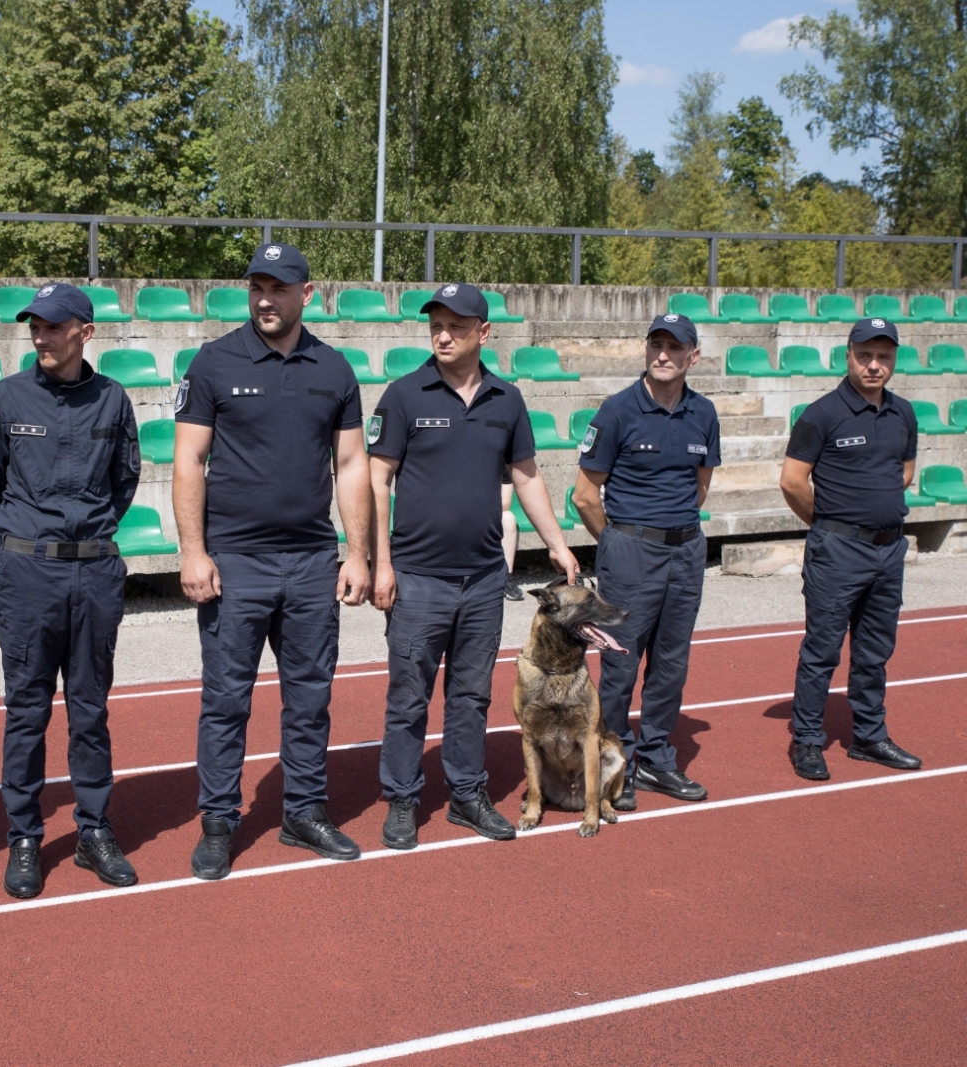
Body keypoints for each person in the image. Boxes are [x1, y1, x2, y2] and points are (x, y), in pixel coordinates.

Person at [173, 243, 372, 880]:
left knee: (310, 699)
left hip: (313, 561)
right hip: (236, 562)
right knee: (226, 701)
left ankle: (303, 812)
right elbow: (188, 461)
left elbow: (350, 465)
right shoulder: (213, 362)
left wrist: (357, 552)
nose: (265, 297)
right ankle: (217, 822)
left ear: (306, 294)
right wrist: (194, 550)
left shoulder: (335, 369)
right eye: (257, 285)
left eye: (279, 287)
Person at [369, 282, 579, 847]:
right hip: (418, 579)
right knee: (408, 696)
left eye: (457, 326)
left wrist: (557, 544)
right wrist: (379, 562)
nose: (443, 334)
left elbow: (527, 476)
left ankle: (466, 794)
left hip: (485, 580)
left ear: (484, 333)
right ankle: (402, 798)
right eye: (436, 324)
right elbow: (376, 478)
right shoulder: (404, 394)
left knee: (471, 696)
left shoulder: (507, 400)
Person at [0, 284, 141, 899]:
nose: (40, 336)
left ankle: (94, 830)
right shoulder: (4, 398)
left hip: (94, 573)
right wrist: (20, 549)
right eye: (34, 326)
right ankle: (23, 838)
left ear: (84, 332)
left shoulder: (113, 401)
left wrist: (83, 544)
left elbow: (125, 480)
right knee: (27, 711)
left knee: (90, 710)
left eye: (53, 326)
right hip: (28, 575)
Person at [570, 312, 719, 809]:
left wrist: (674, 532)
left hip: (686, 550)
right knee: (621, 665)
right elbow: (585, 495)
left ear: (692, 356)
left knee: (671, 663)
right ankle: (615, 762)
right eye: (656, 344)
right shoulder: (616, 411)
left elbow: (699, 488)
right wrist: (617, 544)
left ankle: (655, 759)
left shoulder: (704, 414)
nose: (663, 354)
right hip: (631, 552)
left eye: (675, 347)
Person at [779, 317, 924, 780]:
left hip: (888, 551)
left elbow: (905, 473)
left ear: (894, 360)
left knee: (875, 650)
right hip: (838, 550)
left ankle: (869, 736)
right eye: (865, 356)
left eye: (884, 357)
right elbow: (792, 481)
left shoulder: (904, 413)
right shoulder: (821, 414)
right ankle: (806, 740)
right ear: (848, 355)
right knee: (822, 650)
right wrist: (830, 526)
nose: (874, 365)